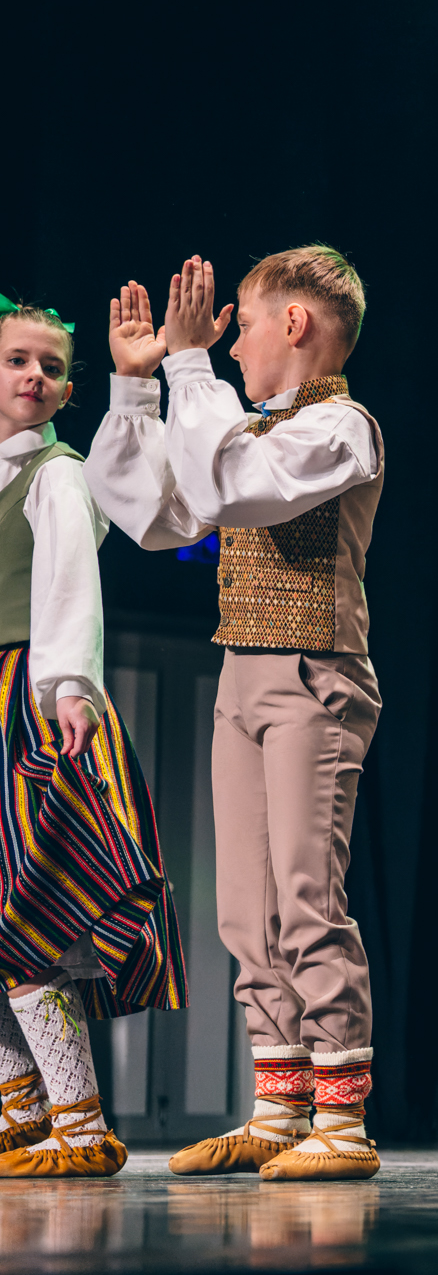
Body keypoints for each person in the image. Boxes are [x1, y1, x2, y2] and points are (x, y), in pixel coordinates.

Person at [89, 251, 386, 1182]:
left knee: (305, 897)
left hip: (313, 673)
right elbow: (155, 515)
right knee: (245, 911)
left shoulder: (341, 427)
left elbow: (229, 486)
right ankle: (279, 1106)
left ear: (295, 324)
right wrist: (137, 390)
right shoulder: (242, 428)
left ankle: (342, 1118)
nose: (229, 344)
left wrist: (188, 366)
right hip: (240, 675)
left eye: (242, 326)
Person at [0, 303, 185, 1178]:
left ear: (69, 390)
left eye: (50, 365)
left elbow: (71, 582)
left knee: (28, 908)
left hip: (30, 697)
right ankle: (21, 1108)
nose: (33, 375)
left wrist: (70, 686)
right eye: (16, 359)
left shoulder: (57, 475)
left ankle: (80, 1125)